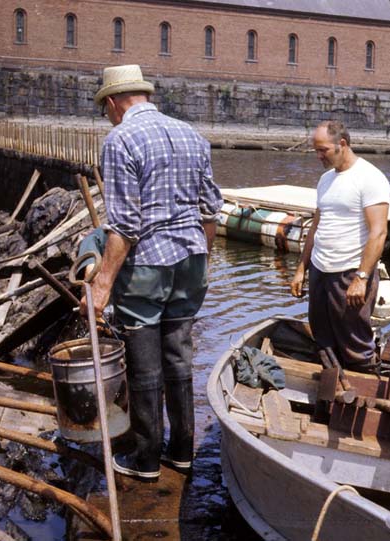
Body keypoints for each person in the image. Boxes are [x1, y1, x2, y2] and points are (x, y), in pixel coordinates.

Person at [80, 64, 223, 480]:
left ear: (112, 103)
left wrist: (102, 285)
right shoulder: (192, 135)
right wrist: (202, 260)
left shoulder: (120, 139)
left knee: (145, 367)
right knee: (179, 357)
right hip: (191, 259)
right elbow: (211, 210)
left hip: (147, 265)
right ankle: (182, 451)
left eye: (104, 109)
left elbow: (125, 225)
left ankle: (144, 459)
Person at [290, 120, 390, 371]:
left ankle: (363, 390)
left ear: (342, 144)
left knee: (354, 342)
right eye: (316, 150)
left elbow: (378, 232)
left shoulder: (370, 178)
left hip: (349, 272)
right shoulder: (325, 180)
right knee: (323, 339)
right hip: (320, 270)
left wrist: (362, 277)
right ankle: (328, 394)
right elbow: (316, 226)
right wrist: (301, 269)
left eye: (322, 150)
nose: (318, 156)